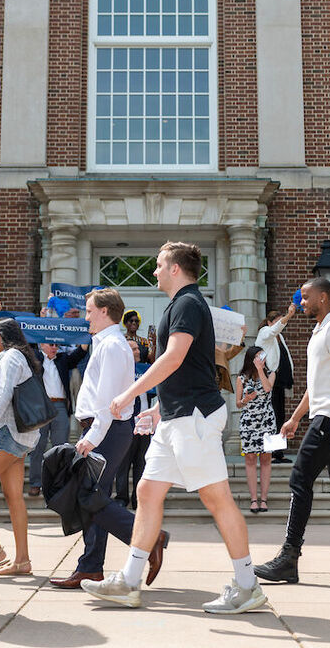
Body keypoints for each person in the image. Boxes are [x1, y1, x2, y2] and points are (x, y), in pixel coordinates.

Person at [83, 241, 267, 614]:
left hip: (194, 417)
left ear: (174, 269)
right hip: (177, 416)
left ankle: (247, 585)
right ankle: (130, 581)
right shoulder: (183, 304)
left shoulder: (186, 303)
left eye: (158, 265)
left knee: (217, 499)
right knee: (148, 491)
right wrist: (156, 408)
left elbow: (174, 357)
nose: (153, 271)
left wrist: (130, 393)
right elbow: (185, 370)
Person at [254, 278, 330, 585]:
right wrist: (295, 418)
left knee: (299, 478)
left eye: (307, 297)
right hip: (324, 416)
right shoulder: (320, 330)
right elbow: (316, 385)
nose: (302, 302)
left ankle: (289, 556)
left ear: (324, 297)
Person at [50, 288, 169, 589]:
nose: (86, 316)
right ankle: (90, 567)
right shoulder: (106, 343)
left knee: (89, 497)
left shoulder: (113, 345)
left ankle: (147, 537)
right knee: (91, 497)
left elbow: (109, 400)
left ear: (105, 312)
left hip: (106, 429)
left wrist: (92, 436)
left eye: (90, 311)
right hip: (102, 428)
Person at [0, 317, 42, 576]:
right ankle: (22, 561)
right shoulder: (18, 357)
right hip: (19, 436)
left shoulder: (8, 358)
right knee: (13, 496)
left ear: (4, 336)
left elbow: (2, 396)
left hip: (4, 434)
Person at [27, 339, 87, 497]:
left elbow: (79, 354)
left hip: (59, 406)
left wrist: (85, 339)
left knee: (61, 448)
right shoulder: (34, 359)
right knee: (37, 446)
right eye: (51, 344)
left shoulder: (62, 360)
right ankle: (35, 483)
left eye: (56, 345)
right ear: (41, 345)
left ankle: (59, 484)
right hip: (40, 406)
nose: (55, 347)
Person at [114, 340, 154, 509]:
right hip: (126, 423)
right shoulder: (119, 372)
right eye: (133, 348)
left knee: (141, 464)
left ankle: (138, 499)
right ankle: (121, 498)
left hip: (144, 424)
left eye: (138, 348)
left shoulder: (147, 370)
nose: (138, 351)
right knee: (123, 464)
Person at [235, 346, 274, 514]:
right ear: (251, 359)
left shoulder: (271, 373)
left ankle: (263, 499)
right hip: (249, 421)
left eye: (263, 357)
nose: (261, 360)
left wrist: (261, 370)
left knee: (266, 460)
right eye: (258, 357)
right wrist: (245, 399)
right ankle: (253, 499)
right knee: (250, 459)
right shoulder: (241, 378)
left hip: (267, 421)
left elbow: (267, 388)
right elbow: (238, 403)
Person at [255, 305, 296, 464]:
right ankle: (270, 453)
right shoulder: (265, 332)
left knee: (280, 416)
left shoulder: (280, 337)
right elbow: (274, 330)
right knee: (270, 417)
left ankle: (278, 453)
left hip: (279, 382)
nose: (282, 324)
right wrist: (288, 316)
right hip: (269, 382)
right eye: (279, 322)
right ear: (270, 322)